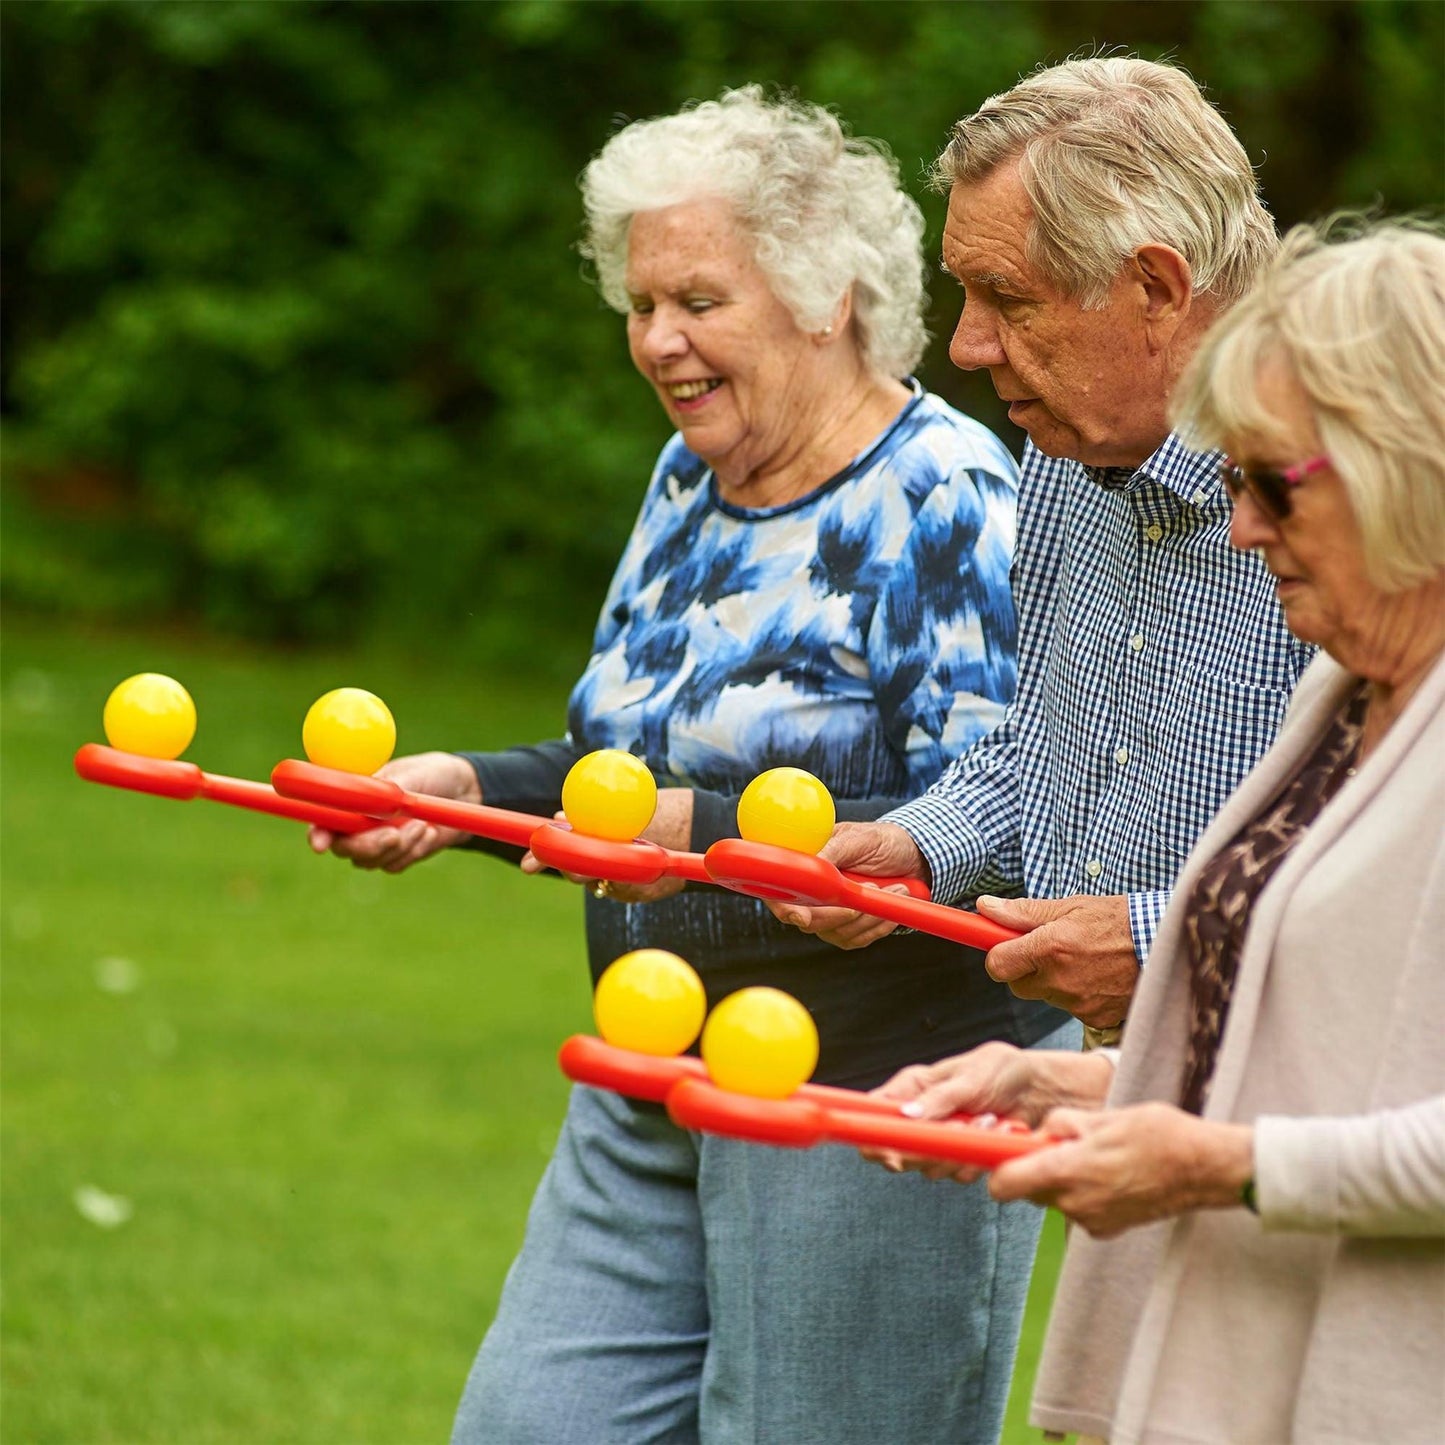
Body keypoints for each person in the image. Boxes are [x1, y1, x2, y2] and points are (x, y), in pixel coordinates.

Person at [311, 88, 1073, 1444]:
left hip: (870, 1091)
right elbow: (618, 767)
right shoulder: (689, 478)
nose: (660, 338)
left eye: (699, 300)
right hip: (651, 1056)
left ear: (827, 294)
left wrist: (701, 822)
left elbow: (1021, 821)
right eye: (641, 300)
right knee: (531, 1424)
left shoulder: (948, 497)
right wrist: (468, 793)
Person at [872, 218, 1445, 1444]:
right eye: (1230, 479)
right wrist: (1068, 1081)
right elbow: (1330, 1061)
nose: (1237, 527)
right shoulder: (1342, 692)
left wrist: (1210, 1163)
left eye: (1270, 481)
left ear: (1410, 465)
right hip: (1257, 1359)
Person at [772, 57, 1314, 1042]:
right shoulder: (1069, 446)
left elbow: (1402, 857)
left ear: (1154, 285)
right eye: (963, 294)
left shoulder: (1358, 495)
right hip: (1121, 1089)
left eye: (1007, 300)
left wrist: (1165, 944)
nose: (967, 346)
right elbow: (1062, 739)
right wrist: (920, 843)